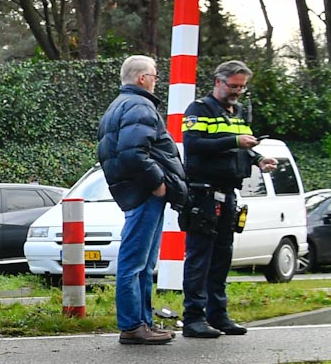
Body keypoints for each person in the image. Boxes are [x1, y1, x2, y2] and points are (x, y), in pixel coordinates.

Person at [179, 61, 273, 339]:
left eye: (242, 87)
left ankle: (218, 315)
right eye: (233, 86)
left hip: (229, 193)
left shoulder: (239, 112)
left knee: (222, 257)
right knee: (199, 257)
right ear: (218, 81)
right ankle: (193, 317)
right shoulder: (199, 109)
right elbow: (193, 145)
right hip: (203, 193)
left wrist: (257, 159)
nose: (238, 92)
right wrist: (234, 143)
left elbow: (242, 147)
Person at [96, 56, 185, 346]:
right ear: (141, 78)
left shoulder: (118, 105)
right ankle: (134, 324)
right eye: (155, 76)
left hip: (131, 190)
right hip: (143, 192)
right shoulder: (140, 106)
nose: (157, 80)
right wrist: (158, 183)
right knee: (137, 262)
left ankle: (142, 322)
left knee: (140, 262)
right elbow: (134, 152)